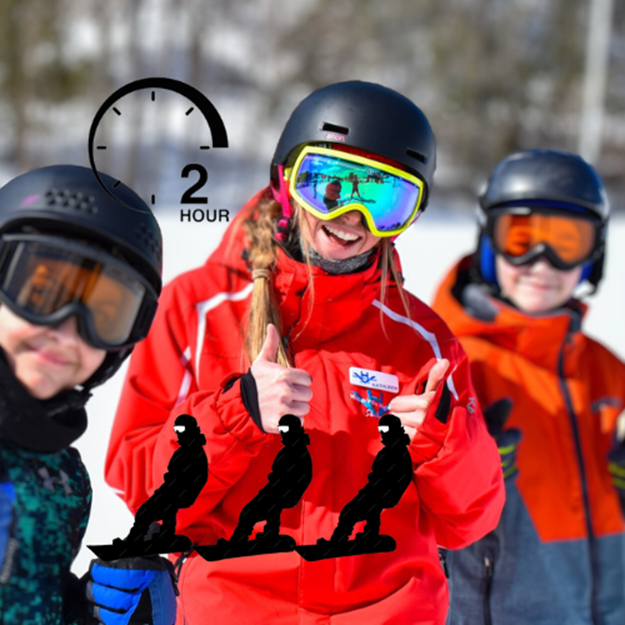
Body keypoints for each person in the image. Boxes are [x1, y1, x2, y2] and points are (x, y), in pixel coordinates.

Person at [106, 80, 505, 624]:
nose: (353, 218)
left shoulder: (423, 342)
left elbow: (471, 520)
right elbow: (140, 492)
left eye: (383, 199)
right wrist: (234, 417)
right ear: (286, 180)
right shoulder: (199, 309)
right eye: (331, 186)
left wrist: (444, 446)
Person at [431, 149, 625, 624]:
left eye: (567, 242)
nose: (542, 262)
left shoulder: (608, 372)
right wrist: (454, 470)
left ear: (593, 255)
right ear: (487, 242)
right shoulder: (444, 365)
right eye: (521, 238)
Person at [0, 164, 176, 624]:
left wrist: (88, 613)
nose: (66, 330)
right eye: (42, 292)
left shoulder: (63, 478)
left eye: (105, 313)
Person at [121, 414, 208, 545]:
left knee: (150, 511)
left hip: (179, 492)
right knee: (158, 511)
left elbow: (198, 477)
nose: (178, 433)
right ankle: (152, 535)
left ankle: (142, 537)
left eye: (181, 429)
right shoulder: (185, 449)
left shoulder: (194, 451)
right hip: (173, 492)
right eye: (176, 429)